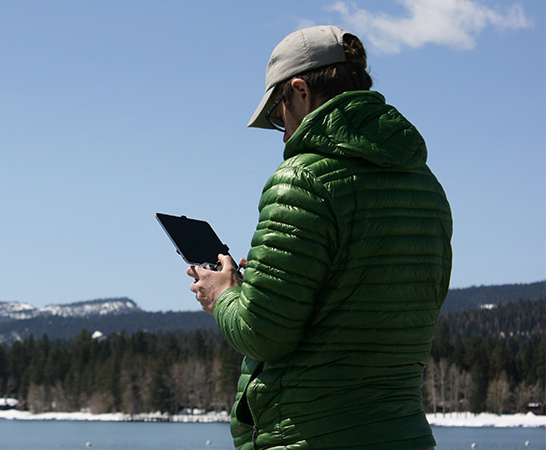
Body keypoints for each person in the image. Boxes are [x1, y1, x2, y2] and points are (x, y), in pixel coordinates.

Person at [187, 25, 452, 450]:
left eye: (278, 113)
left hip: (312, 435)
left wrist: (224, 296)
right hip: (404, 434)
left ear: (300, 92)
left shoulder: (302, 179)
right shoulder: (425, 185)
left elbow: (263, 333)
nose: (285, 130)